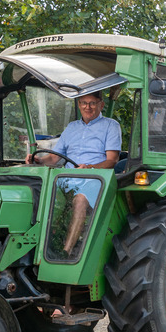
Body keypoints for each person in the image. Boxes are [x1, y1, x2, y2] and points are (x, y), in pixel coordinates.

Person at [32, 93, 121, 253]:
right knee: (38, 193)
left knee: (80, 201)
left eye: (92, 103)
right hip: (66, 178)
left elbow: (112, 160)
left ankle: (65, 253)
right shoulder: (71, 127)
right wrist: (38, 160)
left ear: (101, 105)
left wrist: (90, 168)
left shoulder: (111, 125)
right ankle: (40, 246)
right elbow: (54, 158)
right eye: (84, 103)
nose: (88, 107)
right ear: (79, 105)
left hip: (94, 179)